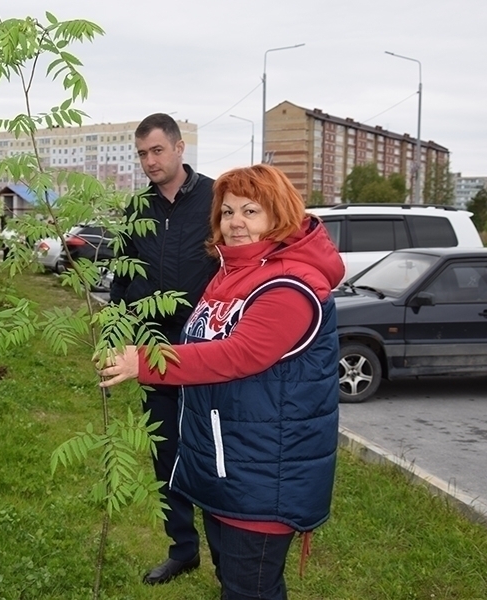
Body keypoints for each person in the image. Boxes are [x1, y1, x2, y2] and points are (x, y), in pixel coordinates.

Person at [100, 164, 344, 600]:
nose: (235, 223)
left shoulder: (290, 284)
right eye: (228, 211)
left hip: (263, 475)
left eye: (250, 211)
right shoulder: (230, 273)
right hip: (227, 465)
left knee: (251, 588)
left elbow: (239, 355)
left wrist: (148, 362)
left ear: (278, 215)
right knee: (235, 582)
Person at [110, 112, 219, 585]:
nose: (149, 161)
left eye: (157, 151)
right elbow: (124, 274)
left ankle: (230, 561)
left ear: (179, 149)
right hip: (152, 346)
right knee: (165, 450)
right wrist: (117, 333)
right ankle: (183, 548)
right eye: (142, 154)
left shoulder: (217, 199)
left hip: (205, 346)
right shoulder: (138, 208)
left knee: (213, 452)